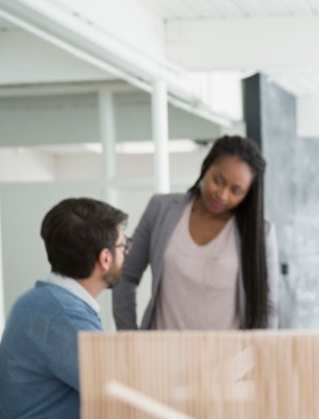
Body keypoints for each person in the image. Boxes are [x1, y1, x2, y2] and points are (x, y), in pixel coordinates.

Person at [0, 197, 129, 419]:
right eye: (123, 246)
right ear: (105, 258)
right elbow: (121, 393)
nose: (127, 252)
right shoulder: (63, 314)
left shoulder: (43, 301)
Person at [112, 135, 279, 331]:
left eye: (236, 190)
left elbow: (268, 308)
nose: (222, 194)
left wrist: (262, 357)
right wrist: (129, 336)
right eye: (218, 180)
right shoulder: (161, 209)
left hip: (230, 358)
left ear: (248, 194)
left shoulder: (261, 234)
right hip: (162, 356)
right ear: (206, 167)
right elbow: (125, 275)